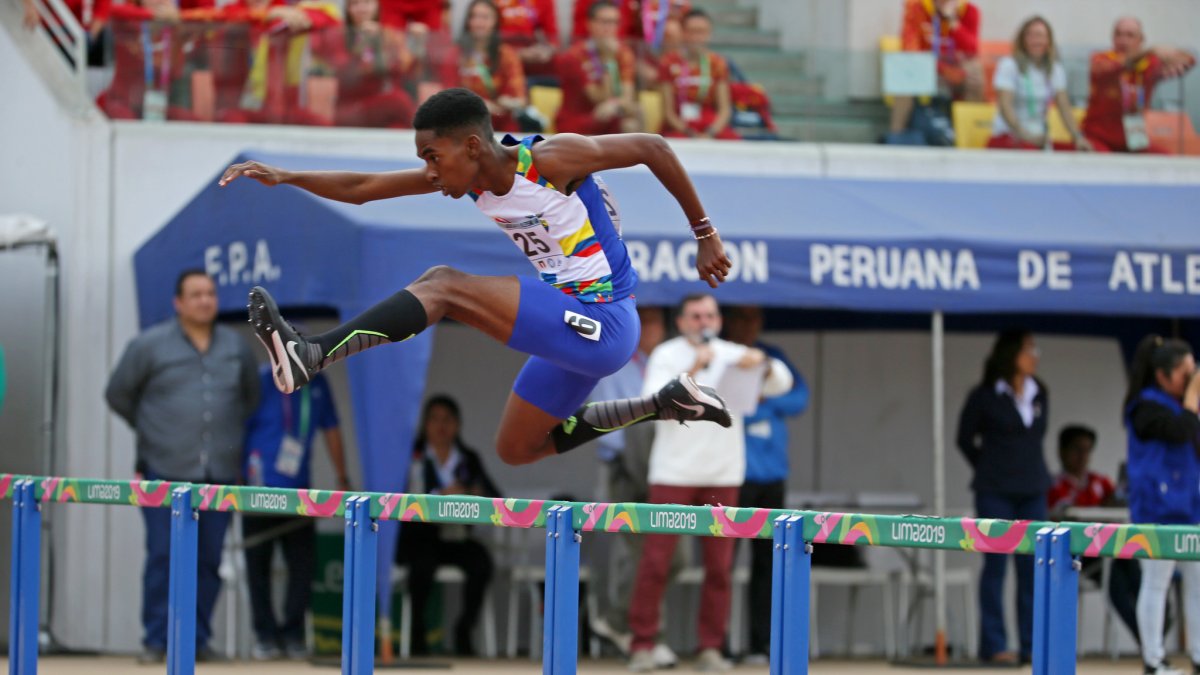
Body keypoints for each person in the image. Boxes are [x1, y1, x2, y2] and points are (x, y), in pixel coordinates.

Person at [219, 87, 735, 474]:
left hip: (605, 320)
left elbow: (654, 146)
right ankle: (662, 403)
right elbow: (362, 188)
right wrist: (288, 176)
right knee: (517, 449)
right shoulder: (467, 180)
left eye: (433, 158)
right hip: (569, 327)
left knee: (443, 284)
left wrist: (705, 234)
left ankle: (312, 355)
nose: (430, 172)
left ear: (471, 146)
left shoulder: (551, 160)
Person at [627, 293, 793, 673]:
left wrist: (764, 365)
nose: (704, 321)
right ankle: (643, 643)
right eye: (696, 315)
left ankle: (711, 647)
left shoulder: (733, 352)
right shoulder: (667, 355)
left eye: (710, 315)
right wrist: (695, 367)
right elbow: (652, 405)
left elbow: (782, 383)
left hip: (722, 473)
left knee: (720, 567)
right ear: (682, 321)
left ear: (719, 321)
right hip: (673, 472)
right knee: (655, 562)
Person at [105, 269, 260, 664]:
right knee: (163, 556)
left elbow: (250, 400)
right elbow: (118, 394)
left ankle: (196, 640)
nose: (205, 301)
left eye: (210, 293)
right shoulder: (149, 345)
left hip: (219, 474)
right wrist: (156, 430)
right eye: (195, 294)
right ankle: (157, 641)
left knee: (209, 560)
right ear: (178, 302)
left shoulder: (236, 348)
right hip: (163, 469)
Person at [587, 306, 682, 667]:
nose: (651, 328)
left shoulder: (673, 361)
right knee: (638, 552)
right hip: (626, 467)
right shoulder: (616, 360)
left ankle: (629, 623)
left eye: (657, 320)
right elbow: (603, 415)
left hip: (668, 466)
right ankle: (640, 633)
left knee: (674, 556)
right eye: (645, 320)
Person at [242, 366, 350, 660]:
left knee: (303, 566)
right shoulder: (260, 380)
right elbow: (238, 428)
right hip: (257, 489)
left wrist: (342, 476)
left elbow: (331, 427)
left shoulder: (317, 382)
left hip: (299, 491)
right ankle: (265, 636)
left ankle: (292, 633)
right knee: (257, 567)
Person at [955, 329, 1048, 665]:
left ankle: (1031, 644)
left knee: (1034, 565)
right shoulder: (984, 396)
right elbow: (964, 438)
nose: (1035, 355)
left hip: (1033, 490)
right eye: (1028, 349)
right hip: (995, 491)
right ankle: (994, 644)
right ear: (1012, 354)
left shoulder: (1040, 392)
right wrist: (990, 468)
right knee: (995, 567)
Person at [722, 305, 808, 664]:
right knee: (723, 564)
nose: (750, 325)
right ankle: (719, 644)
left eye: (755, 318)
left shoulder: (773, 356)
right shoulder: (723, 356)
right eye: (742, 318)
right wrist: (754, 404)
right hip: (732, 475)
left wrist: (764, 399)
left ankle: (761, 643)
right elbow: (726, 403)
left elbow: (798, 398)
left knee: (768, 563)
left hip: (772, 475)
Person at [396, 395, 500, 655]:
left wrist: (472, 494)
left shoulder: (468, 458)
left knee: (482, 563)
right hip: (419, 537)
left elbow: (496, 497)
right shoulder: (412, 455)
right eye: (435, 419)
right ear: (425, 424)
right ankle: (417, 633)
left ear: (457, 425)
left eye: (448, 420)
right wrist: (438, 497)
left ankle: (464, 629)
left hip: (456, 537)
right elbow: (393, 499)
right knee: (422, 565)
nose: (441, 426)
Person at [1123, 336, 1200, 675]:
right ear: (1163, 375)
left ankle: (1198, 655)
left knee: (1198, 585)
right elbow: (1178, 431)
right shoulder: (1145, 406)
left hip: (1190, 507)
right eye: (1185, 374)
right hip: (1157, 510)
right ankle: (1153, 661)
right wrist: (1193, 397)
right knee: (1157, 583)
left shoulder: (1185, 406)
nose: (1190, 380)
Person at [1047, 424, 1140, 644]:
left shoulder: (1100, 481)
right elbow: (1055, 521)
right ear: (1062, 452)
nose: (1083, 456)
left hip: (1109, 548)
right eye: (1077, 450)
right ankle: (1145, 636)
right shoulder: (1054, 486)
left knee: (1134, 567)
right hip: (1080, 555)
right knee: (1114, 580)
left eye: (1087, 450)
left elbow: (1118, 505)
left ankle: (1158, 621)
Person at [1082, 17, 1196, 154]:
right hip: (1099, 136)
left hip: (1135, 136)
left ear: (1141, 40)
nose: (1123, 40)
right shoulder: (1100, 59)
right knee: (1105, 165)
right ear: (1112, 38)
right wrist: (1149, 51)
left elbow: (1190, 60)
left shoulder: (1150, 64)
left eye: (1130, 35)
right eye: (1118, 34)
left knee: (1165, 159)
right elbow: (1120, 65)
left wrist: (1168, 52)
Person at [987, 16, 1090, 151]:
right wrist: (1025, 134)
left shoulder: (1055, 69)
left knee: (1081, 151)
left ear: (1048, 41)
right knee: (1030, 150)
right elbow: (1005, 107)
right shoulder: (1009, 65)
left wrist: (1077, 137)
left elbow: (1064, 107)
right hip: (1010, 135)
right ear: (1023, 40)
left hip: (1038, 137)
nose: (1036, 41)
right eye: (1031, 36)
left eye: (1040, 36)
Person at [888, 0, 982, 144]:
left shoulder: (969, 10)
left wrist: (953, 21)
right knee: (904, 74)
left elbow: (971, 50)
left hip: (957, 73)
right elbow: (909, 49)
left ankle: (971, 139)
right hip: (925, 70)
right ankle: (896, 137)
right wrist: (943, 69)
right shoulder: (916, 7)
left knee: (975, 74)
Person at [312, 0, 418, 128]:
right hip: (352, 108)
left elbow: (404, 71)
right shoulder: (339, 35)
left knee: (398, 124)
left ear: (377, 7)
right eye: (355, 4)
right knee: (399, 101)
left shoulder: (388, 35)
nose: (362, 9)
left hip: (381, 104)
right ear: (348, 9)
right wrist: (362, 42)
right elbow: (346, 74)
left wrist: (417, 43)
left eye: (367, 3)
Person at [444, 0, 532, 133]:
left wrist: (508, 102)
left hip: (501, 127)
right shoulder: (455, 54)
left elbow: (520, 98)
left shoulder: (507, 55)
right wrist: (480, 105)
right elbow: (447, 96)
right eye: (474, 16)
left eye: (485, 17)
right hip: (464, 127)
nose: (479, 23)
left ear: (496, 22)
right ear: (467, 21)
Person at [556, 0, 641, 136]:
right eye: (605, 22)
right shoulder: (574, 56)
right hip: (579, 121)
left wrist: (614, 105)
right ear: (590, 24)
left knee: (635, 115)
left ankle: (640, 156)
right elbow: (598, 98)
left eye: (614, 22)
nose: (610, 28)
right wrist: (608, 59)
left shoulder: (624, 53)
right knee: (624, 121)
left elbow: (627, 96)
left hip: (608, 116)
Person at [658, 9, 738, 140]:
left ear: (709, 34)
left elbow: (725, 110)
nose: (696, 38)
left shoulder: (717, 63)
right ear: (683, 33)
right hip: (680, 125)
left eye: (701, 32)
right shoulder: (668, 62)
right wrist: (690, 133)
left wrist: (710, 133)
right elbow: (668, 112)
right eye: (692, 32)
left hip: (709, 125)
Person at [494, 0, 558, 83]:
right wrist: (515, 54)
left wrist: (545, 52)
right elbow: (484, 32)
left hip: (532, 57)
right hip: (500, 54)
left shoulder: (543, 2)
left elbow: (553, 38)